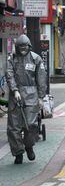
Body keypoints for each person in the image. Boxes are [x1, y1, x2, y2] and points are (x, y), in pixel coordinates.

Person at [6, 35, 47, 164]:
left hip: (31, 95)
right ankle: (18, 153)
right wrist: (15, 90)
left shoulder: (36, 59)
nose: (23, 50)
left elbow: (41, 78)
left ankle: (29, 146)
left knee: (31, 125)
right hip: (15, 96)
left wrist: (41, 97)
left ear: (29, 47)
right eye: (20, 48)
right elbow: (9, 74)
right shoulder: (12, 59)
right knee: (14, 127)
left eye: (25, 47)